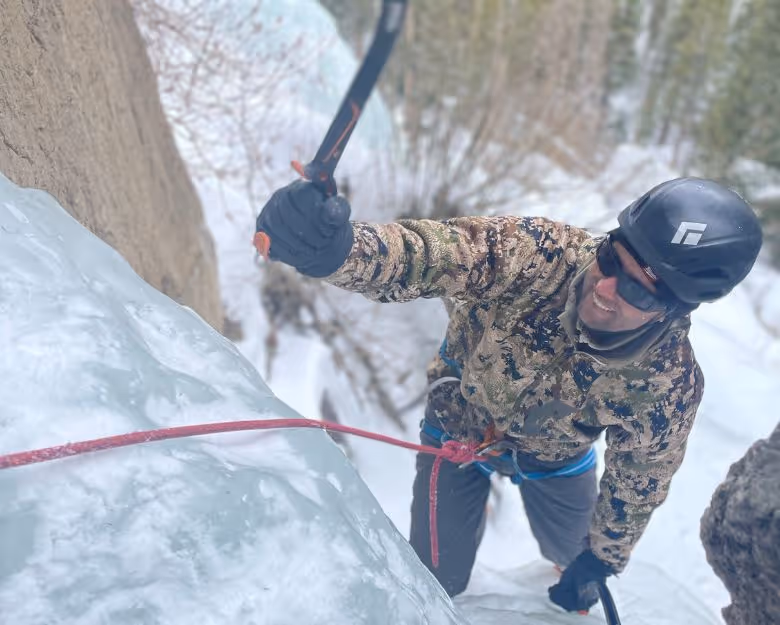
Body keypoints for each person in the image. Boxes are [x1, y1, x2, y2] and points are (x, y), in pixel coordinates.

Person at [255, 177, 763, 612]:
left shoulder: (666, 383)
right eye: (611, 258)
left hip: (557, 461)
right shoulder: (540, 255)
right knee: (434, 579)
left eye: (638, 291)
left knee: (577, 567)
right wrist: (337, 252)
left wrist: (602, 557)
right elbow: (435, 253)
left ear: (676, 309)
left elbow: (640, 479)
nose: (606, 288)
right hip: (460, 426)